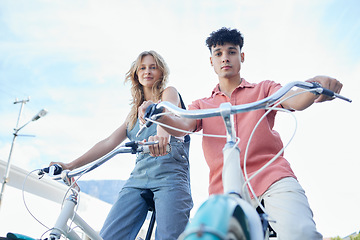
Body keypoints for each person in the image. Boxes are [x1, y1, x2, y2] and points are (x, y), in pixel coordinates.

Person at [139, 28, 343, 239]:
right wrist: (160, 116)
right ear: (211, 61)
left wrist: (316, 85)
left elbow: (294, 99)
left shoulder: (264, 90)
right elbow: (182, 124)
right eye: (218, 53)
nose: (225, 58)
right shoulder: (202, 105)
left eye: (231, 52)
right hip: (224, 190)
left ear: (241, 56)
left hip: (271, 177)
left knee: (302, 233)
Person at [50, 50, 193, 240]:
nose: (147, 71)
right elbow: (109, 142)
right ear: (136, 74)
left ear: (161, 73)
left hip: (171, 176)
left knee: (170, 236)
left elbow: (165, 112)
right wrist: (70, 165)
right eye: (142, 68)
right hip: (139, 178)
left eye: (153, 67)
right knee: (108, 236)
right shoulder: (134, 113)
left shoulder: (169, 92)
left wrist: (160, 135)